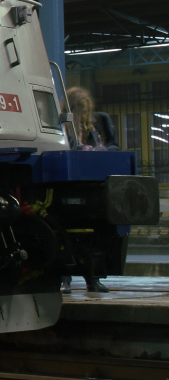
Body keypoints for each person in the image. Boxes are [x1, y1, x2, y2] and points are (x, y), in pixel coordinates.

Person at [62, 86, 119, 294]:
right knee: (65, 234)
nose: (85, 116)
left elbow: (115, 145)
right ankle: (64, 278)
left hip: (95, 183)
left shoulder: (100, 121)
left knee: (96, 235)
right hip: (70, 184)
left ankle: (93, 279)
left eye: (87, 111)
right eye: (81, 111)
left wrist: (99, 150)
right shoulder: (63, 126)